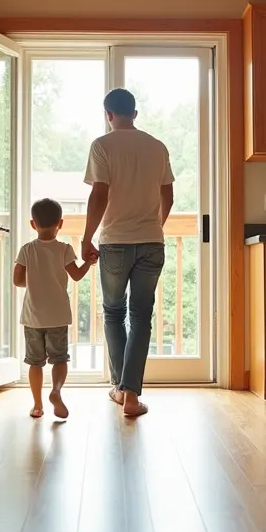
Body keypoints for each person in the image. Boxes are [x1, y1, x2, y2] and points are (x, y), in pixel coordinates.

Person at [80, 88, 174, 418]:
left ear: (108, 115)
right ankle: (131, 394)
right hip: (152, 242)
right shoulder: (157, 147)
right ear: (135, 113)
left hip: (115, 241)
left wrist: (86, 237)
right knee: (141, 317)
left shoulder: (102, 146)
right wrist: (153, 228)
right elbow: (168, 196)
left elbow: (99, 195)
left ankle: (121, 389)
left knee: (113, 312)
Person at [13, 198, 92, 419]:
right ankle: (56, 392)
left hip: (33, 316)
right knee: (59, 358)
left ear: (32, 224)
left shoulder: (27, 250)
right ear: (60, 223)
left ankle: (37, 405)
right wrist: (88, 263)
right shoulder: (64, 249)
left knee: (35, 362)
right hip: (57, 315)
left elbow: (17, 280)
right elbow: (76, 276)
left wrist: (35, 280)